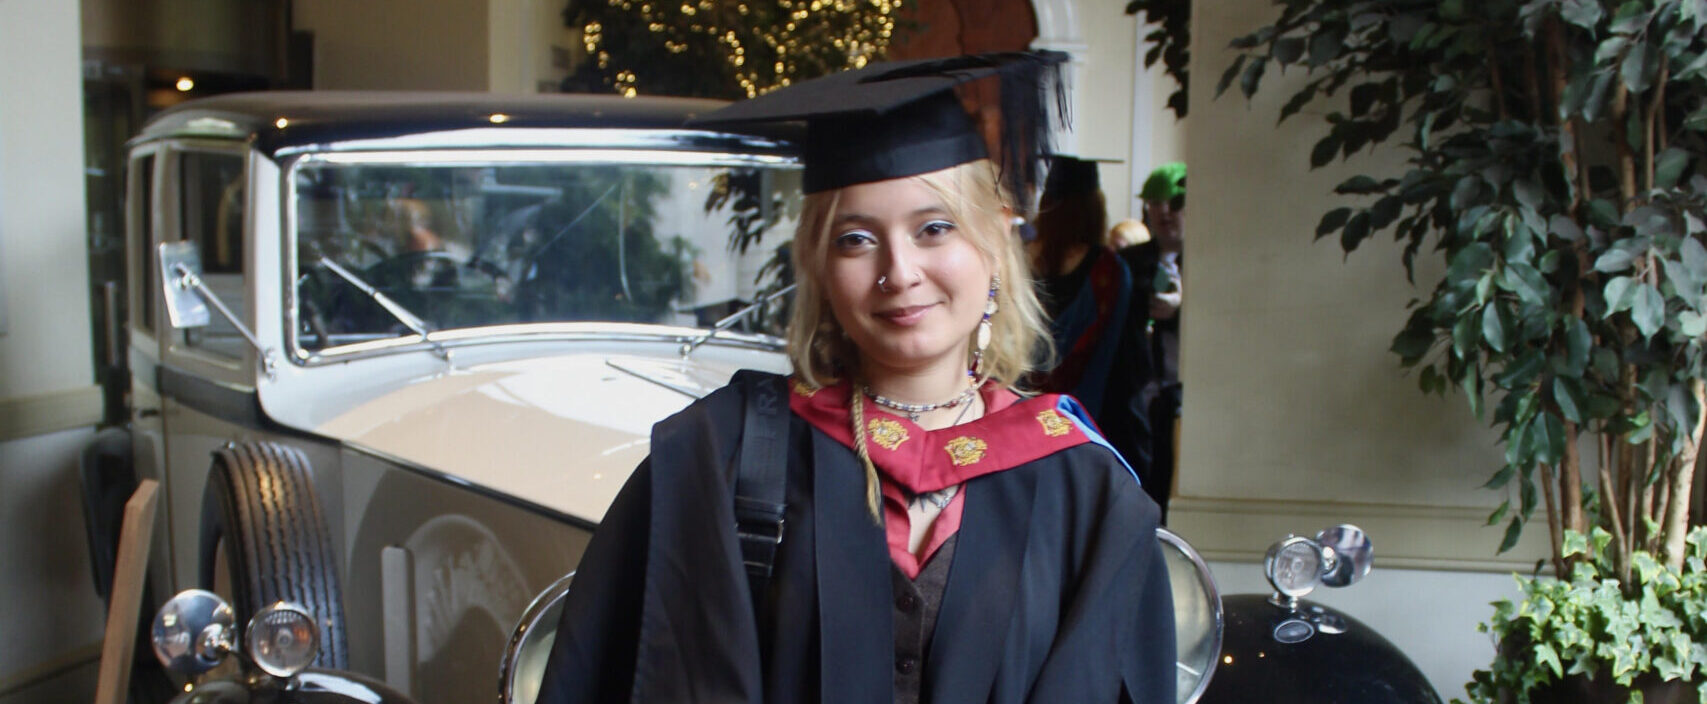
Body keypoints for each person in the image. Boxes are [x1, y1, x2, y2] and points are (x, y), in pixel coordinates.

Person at [536, 52, 1176, 704]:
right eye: (855, 239)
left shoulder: (1080, 485)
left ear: (991, 245)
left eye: (933, 228)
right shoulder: (719, 455)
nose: (898, 271)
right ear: (818, 266)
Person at [1118, 162, 1186, 517]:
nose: (1163, 211)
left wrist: (1183, 307)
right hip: (1136, 395)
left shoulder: (1210, 260)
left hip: (1185, 394)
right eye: (1154, 202)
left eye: (1173, 202)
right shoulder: (1127, 262)